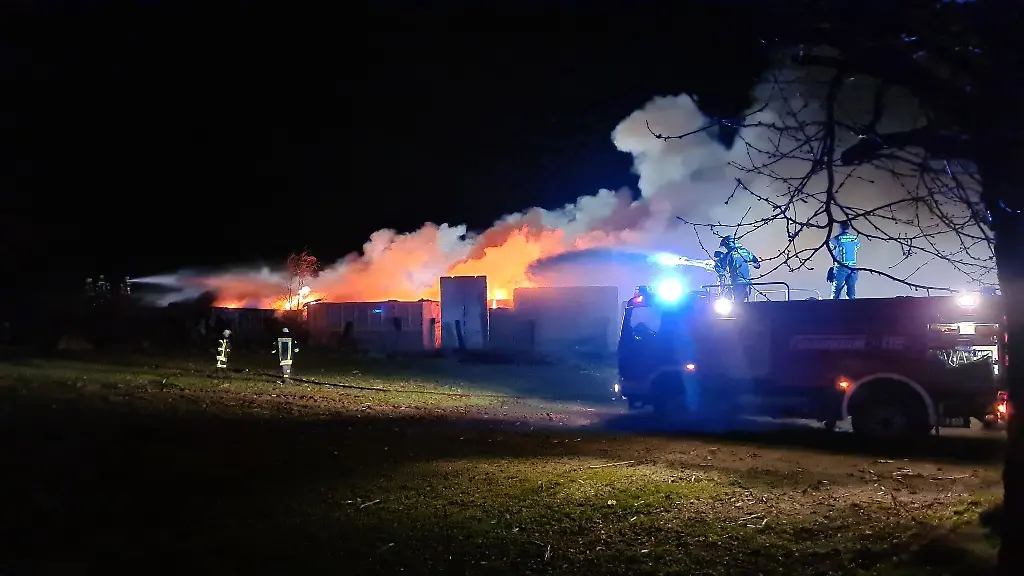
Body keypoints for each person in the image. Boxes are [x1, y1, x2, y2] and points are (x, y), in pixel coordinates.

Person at [715, 235, 761, 302]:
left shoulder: (728, 255)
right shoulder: (746, 252)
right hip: (748, 283)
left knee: (737, 305)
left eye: (725, 246)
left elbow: (720, 268)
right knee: (745, 303)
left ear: (728, 244)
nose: (725, 248)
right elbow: (757, 265)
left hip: (736, 283)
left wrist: (719, 261)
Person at [828, 221, 861, 299]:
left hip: (840, 267)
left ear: (840, 227)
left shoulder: (836, 239)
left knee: (836, 292)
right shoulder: (855, 239)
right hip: (852, 267)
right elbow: (856, 248)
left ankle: (833, 309)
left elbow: (831, 247)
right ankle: (851, 309)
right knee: (851, 293)